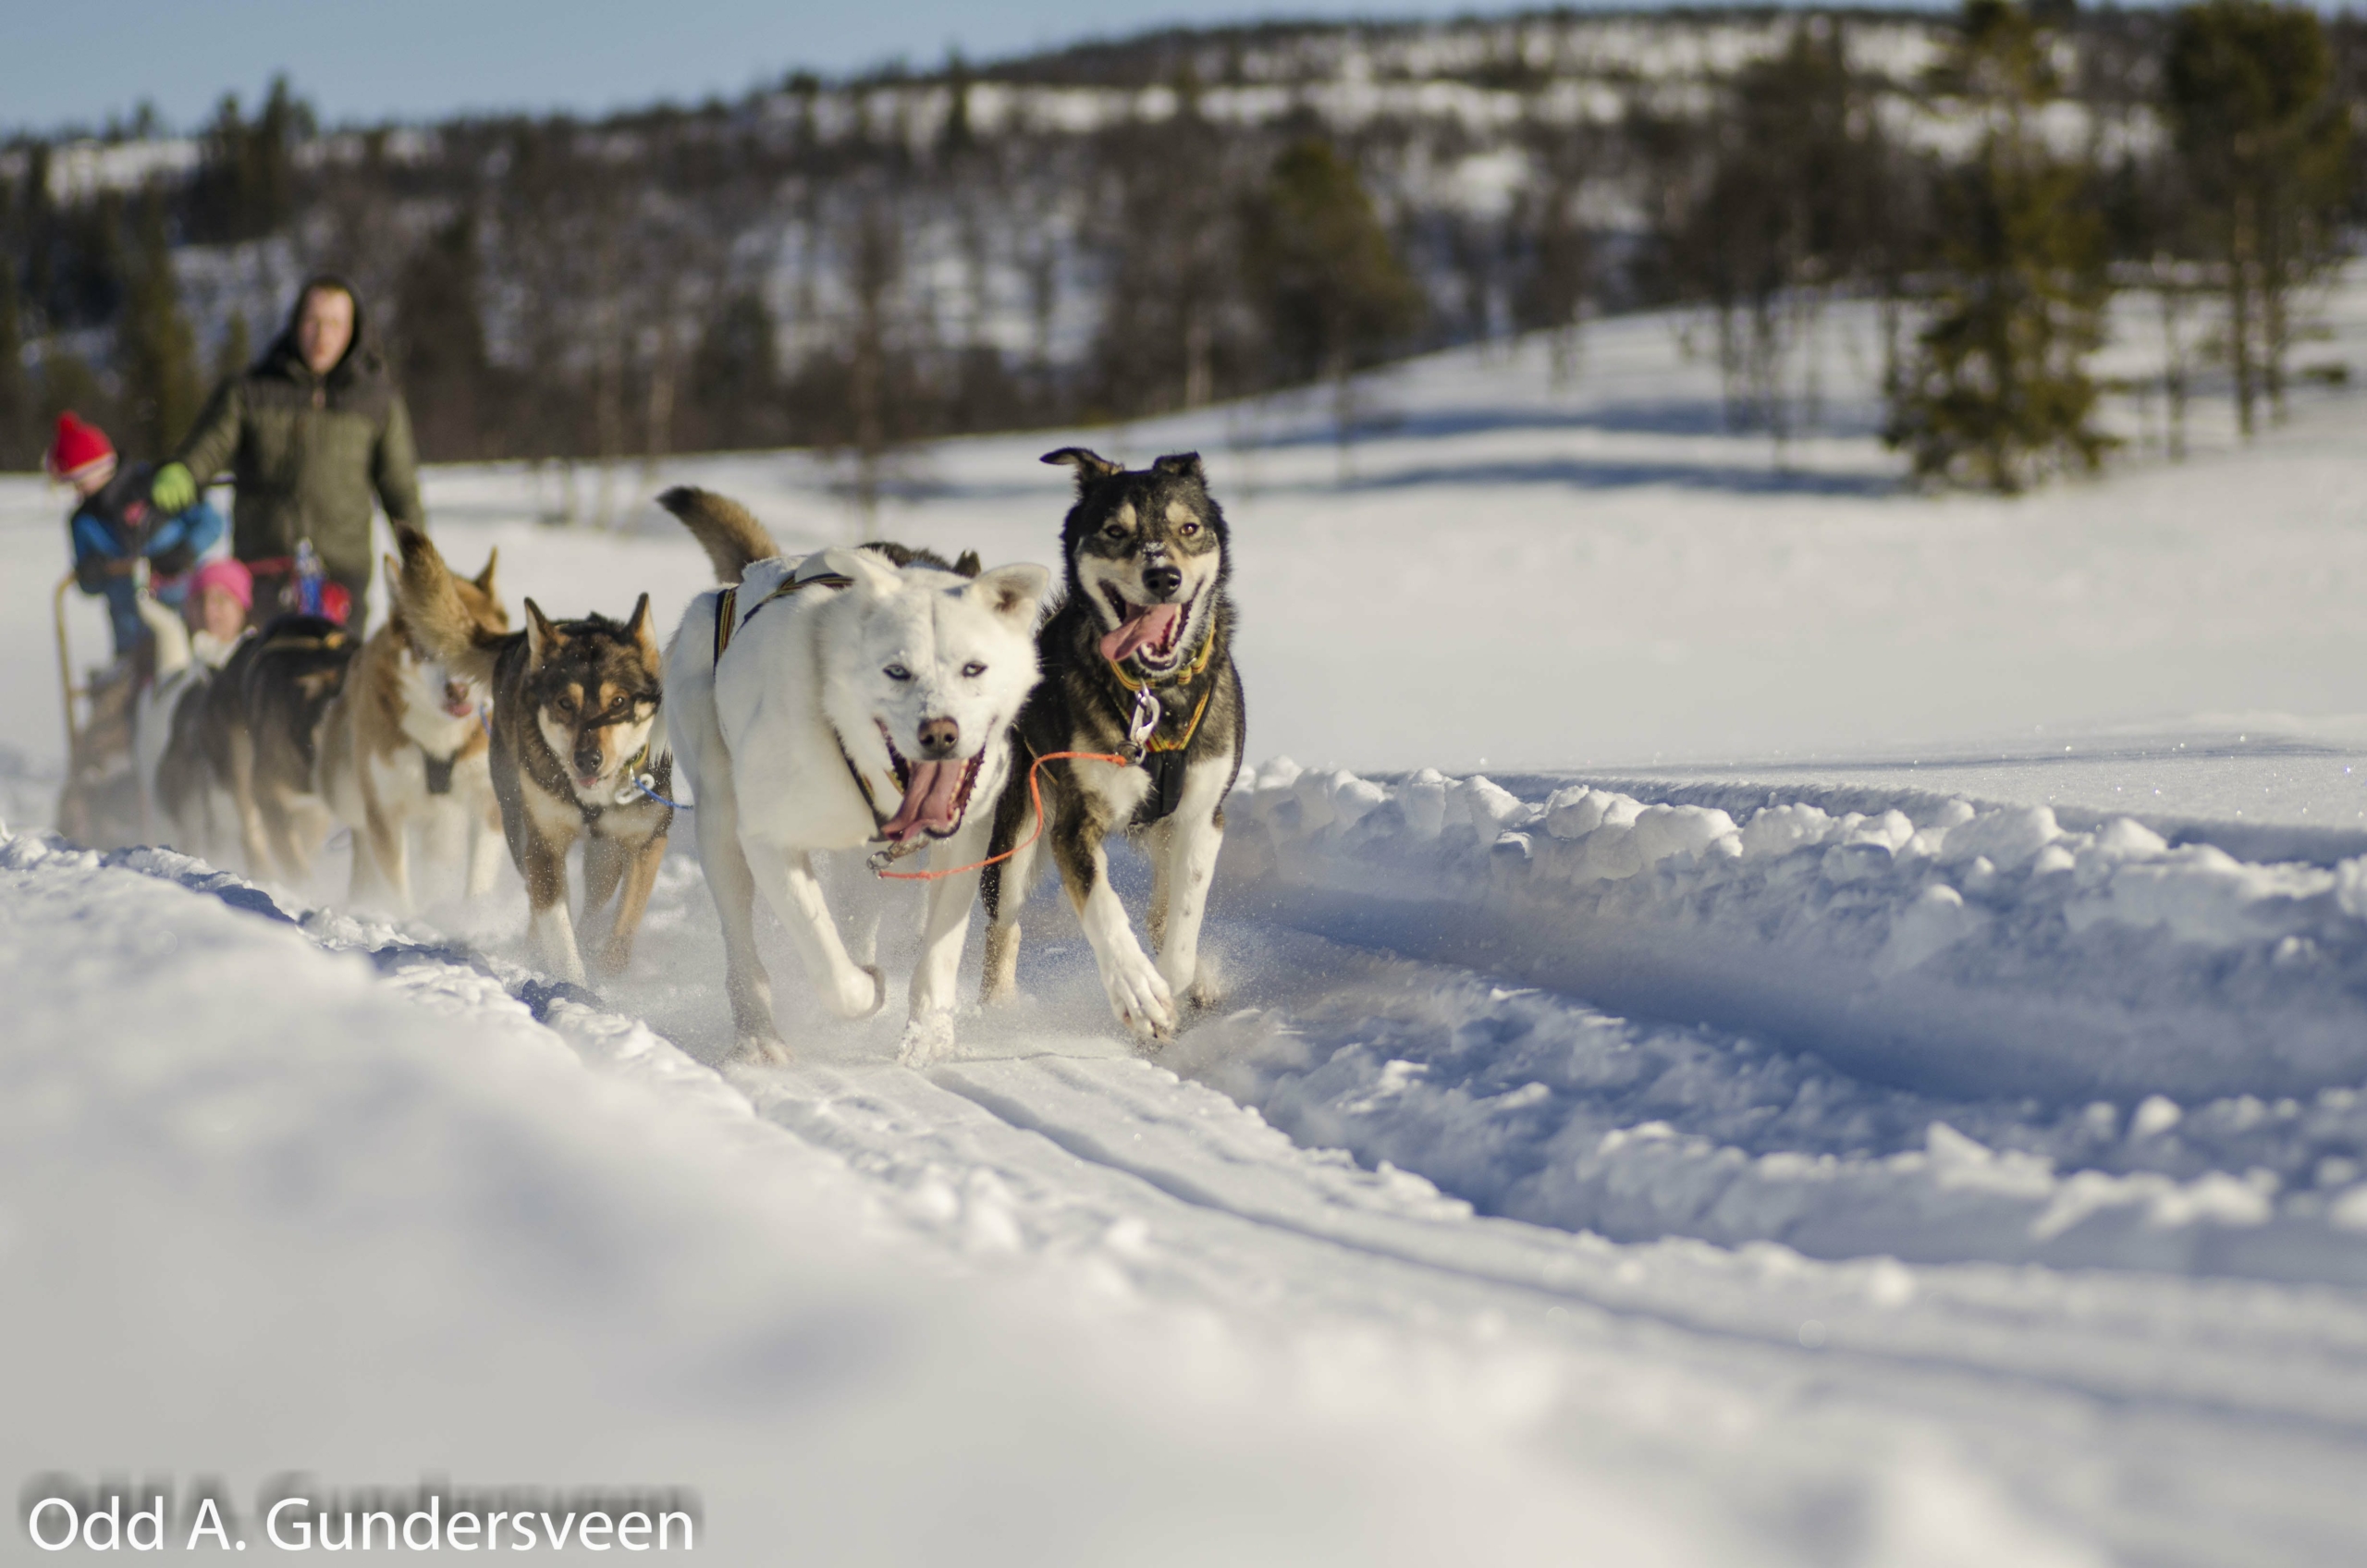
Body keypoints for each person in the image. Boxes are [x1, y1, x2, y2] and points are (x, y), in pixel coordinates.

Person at [151, 274, 425, 629]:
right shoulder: (250, 391)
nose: (322, 335)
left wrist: (421, 564)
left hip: (341, 577)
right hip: (263, 572)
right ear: (295, 324)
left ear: (354, 331)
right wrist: (184, 471)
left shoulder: (379, 404)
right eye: (313, 321)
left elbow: (400, 490)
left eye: (335, 324)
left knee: (337, 680)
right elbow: (210, 446)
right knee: (264, 678)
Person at [50, 411, 228, 661]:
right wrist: (90, 573)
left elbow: (212, 522)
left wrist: (186, 550)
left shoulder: (156, 484)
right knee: (120, 696)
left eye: (77, 482)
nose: (76, 492)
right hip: (131, 639)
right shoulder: (84, 522)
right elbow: (88, 582)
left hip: (190, 621)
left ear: (94, 470)